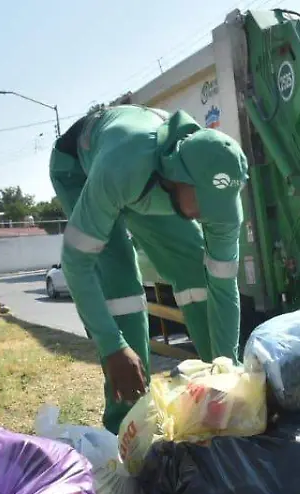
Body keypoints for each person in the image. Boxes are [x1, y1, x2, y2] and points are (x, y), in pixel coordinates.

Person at [49, 104, 248, 434]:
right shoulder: (121, 168)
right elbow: (76, 264)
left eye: (217, 206)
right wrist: (112, 346)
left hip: (147, 181)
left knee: (194, 268)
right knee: (120, 283)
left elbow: (223, 287)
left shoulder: (218, 196)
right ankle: (128, 425)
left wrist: (225, 374)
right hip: (81, 167)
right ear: (177, 178)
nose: (206, 215)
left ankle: (213, 410)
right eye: (202, 202)